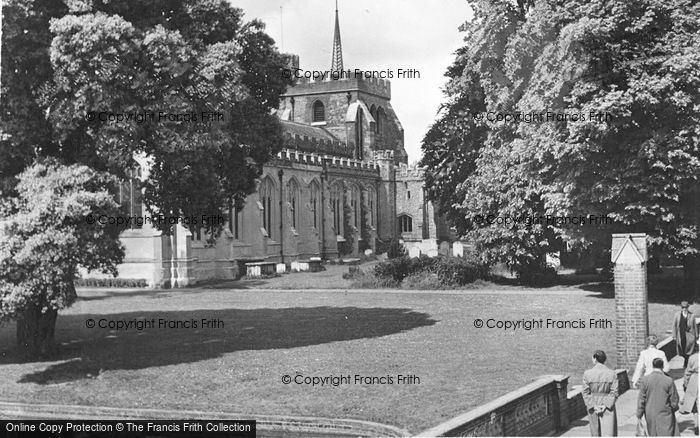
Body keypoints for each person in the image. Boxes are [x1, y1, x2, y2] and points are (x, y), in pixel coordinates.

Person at [637, 357, 680, 436]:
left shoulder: (645, 380)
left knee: (653, 433)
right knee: (666, 433)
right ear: (663, 366)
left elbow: (641, 399)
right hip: (665, 412)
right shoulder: (668, 380)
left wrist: (639, 413)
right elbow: (674, 399)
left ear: (653, 366)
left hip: (650, 412)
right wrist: (674, 408)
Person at [582, 350, 618, 436]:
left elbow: (585, 392)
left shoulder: (587, 374)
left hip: (593, 406)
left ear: (595, 359)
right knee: (609, 432)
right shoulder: (612, 373)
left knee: (595, 433)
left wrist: (594, 405)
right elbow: (614, 392)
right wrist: (605, 405)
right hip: (607, 406)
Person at [680, 339, 698, 433]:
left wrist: (686, 384)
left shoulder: (693, 357)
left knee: (695, 403)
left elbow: (688, 372)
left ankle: (697, 424)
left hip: (695, 379)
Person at [673, 301, 697, 368]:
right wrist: (674, 335)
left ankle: (686, 363)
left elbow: (694, 326)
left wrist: (696, 336)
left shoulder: (692, 315)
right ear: (681, 308)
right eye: (683, 307)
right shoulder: (677, 315)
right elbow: (674, 325)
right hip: (681, 334)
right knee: (682, 350)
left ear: (687, 307)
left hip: (690, 335)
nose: (684, 309)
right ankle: (685, 360)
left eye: (685, 307)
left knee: (689, 350)